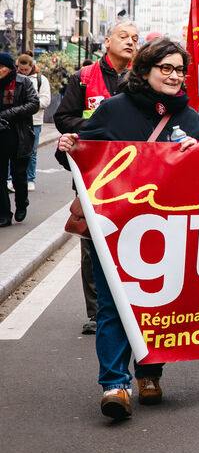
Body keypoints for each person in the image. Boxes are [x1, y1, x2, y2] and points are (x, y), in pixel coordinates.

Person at [56, 37, 199, 420]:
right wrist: (67, 146)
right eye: (166, 68)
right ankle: (114, 384)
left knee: (154, 306)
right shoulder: (113, 110)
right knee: (112, 306)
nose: (174, 76)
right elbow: (83, 156)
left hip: (165, 232)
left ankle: (149, 373)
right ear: (145, 70)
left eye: (180, 70)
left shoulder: (191, 119)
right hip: (115, 229)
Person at [54, 19, 140, 334]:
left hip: (135, 173)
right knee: (93, 242)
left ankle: (134, 305)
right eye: (123, 36)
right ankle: (98, 312)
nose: (130, 42)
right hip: (93, 172)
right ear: (107, 41)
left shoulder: (143, 78)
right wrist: (99, 129)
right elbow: (63, 117)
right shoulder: (83, 78)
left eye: (135, 38)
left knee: (133, 238)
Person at [0, 54, 40, 226]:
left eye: (2, 67)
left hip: (19, 136)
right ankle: (4, 213)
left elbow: (34, 104)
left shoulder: (23, 82)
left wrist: (9, 114)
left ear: (10, 68)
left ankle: (22, 203)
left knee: (19, 176)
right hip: (1, 136)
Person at [16, 54, 50, 192]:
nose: (23, 72)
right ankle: (11, 179)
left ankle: (30, 179)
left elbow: (46, 100)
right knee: (12, 150)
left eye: (26, 69)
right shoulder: (14, 78)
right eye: (21, 69)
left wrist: (28, 106)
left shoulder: (41, 80)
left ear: (32, 66)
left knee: (32, 151)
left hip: (34, 120)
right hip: (16, 119)